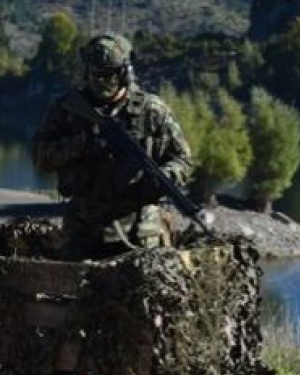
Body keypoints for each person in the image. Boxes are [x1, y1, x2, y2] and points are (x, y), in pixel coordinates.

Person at [33, 33, 194, 260]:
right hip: (83, 226)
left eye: (108, 74)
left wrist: (164, 176)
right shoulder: (68, 109)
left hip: (141, 228)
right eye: (95, 74)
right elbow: (41, 157)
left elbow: (183, 159)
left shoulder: (152, 110)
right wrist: (81, 144)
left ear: (124, 73)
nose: (101, 81)